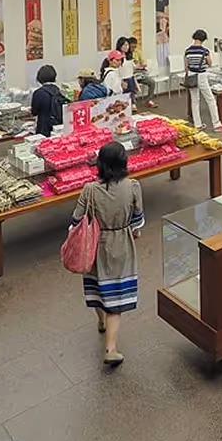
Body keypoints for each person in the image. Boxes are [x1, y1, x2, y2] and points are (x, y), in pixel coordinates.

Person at [70, 141, 144, 367]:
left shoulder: (89, 190)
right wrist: (133, 231)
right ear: (124, 162)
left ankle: (101, 321)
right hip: (121, 243)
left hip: (95, 245)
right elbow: (137, 221)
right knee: (116, 297)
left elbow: (75, 222)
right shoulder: (133, 187)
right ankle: (111, 348)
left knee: (98, 286)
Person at [184, 29, 222, 132]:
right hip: (201, 76)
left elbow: (186, 66)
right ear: (203, 39)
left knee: (195, 101)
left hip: (191, 75)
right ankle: (217, 124)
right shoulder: (204, 51)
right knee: (210, 99)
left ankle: (198, 124)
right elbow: (209, 63)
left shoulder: (187, 50)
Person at [30, 64, 68, 137]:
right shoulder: (57, 90)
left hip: (44, 128)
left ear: (39, 78)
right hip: (57, 126)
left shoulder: (38, 93)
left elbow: (34, 112)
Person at [128, 37, 157, 108]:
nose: (133, 48)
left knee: (152, 82)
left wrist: (142, 66)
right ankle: (133, 103)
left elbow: (143, 63)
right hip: (131, 76)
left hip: (139, 75)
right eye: (132, 47)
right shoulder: (126, 54)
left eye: (135, 46)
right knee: (131, 85)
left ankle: (148, 100)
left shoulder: (138, 52)